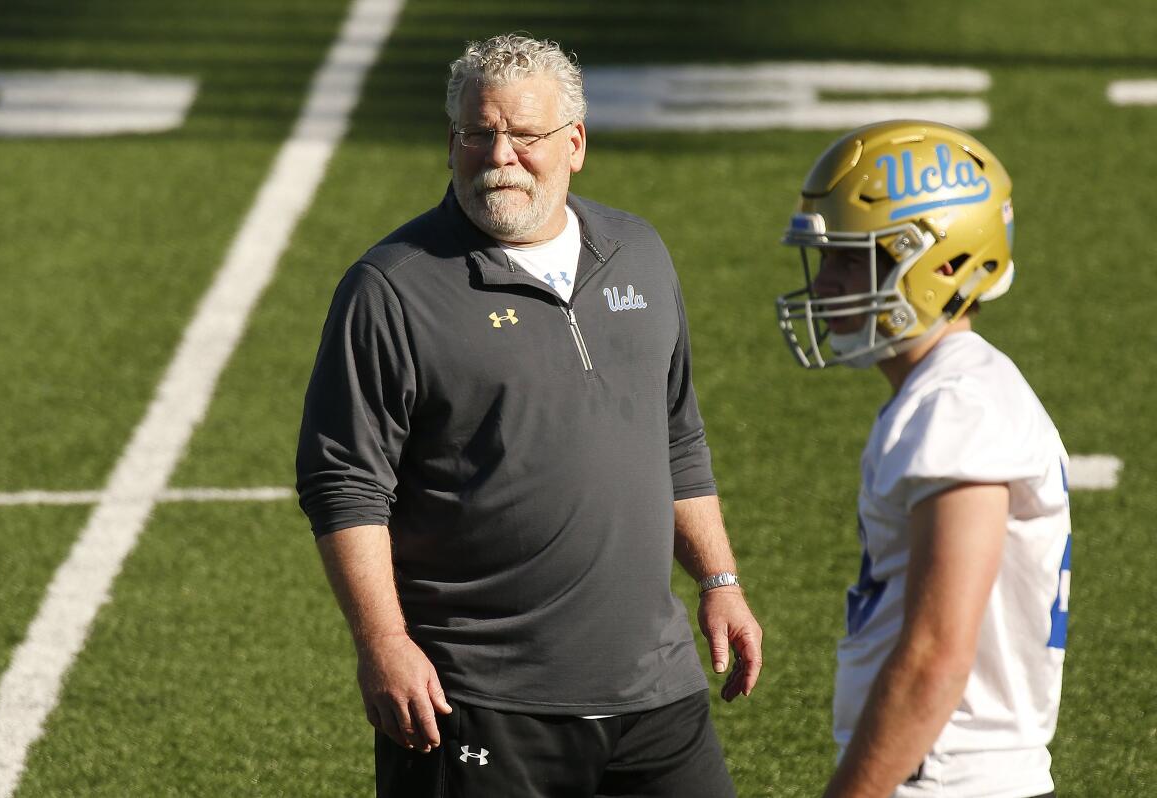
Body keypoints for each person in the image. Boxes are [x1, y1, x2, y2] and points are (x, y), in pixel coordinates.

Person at [296, 32, 762, 798]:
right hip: (480, 702)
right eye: (479, 133)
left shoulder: (639, 252)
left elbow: (675, 435)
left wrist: (719, 578)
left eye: (524, 134)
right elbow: (343, 483)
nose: (500, 155)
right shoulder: (392, 289)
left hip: (656, 692)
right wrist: (382, 641)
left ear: (574, 143)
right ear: (452, 142)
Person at [774, 120, 1071, 797]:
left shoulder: (957, 403)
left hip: (946, 775)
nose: (823, 287)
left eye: (851, 260)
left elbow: (936, 656)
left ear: (939, 263)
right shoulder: (956, 389)